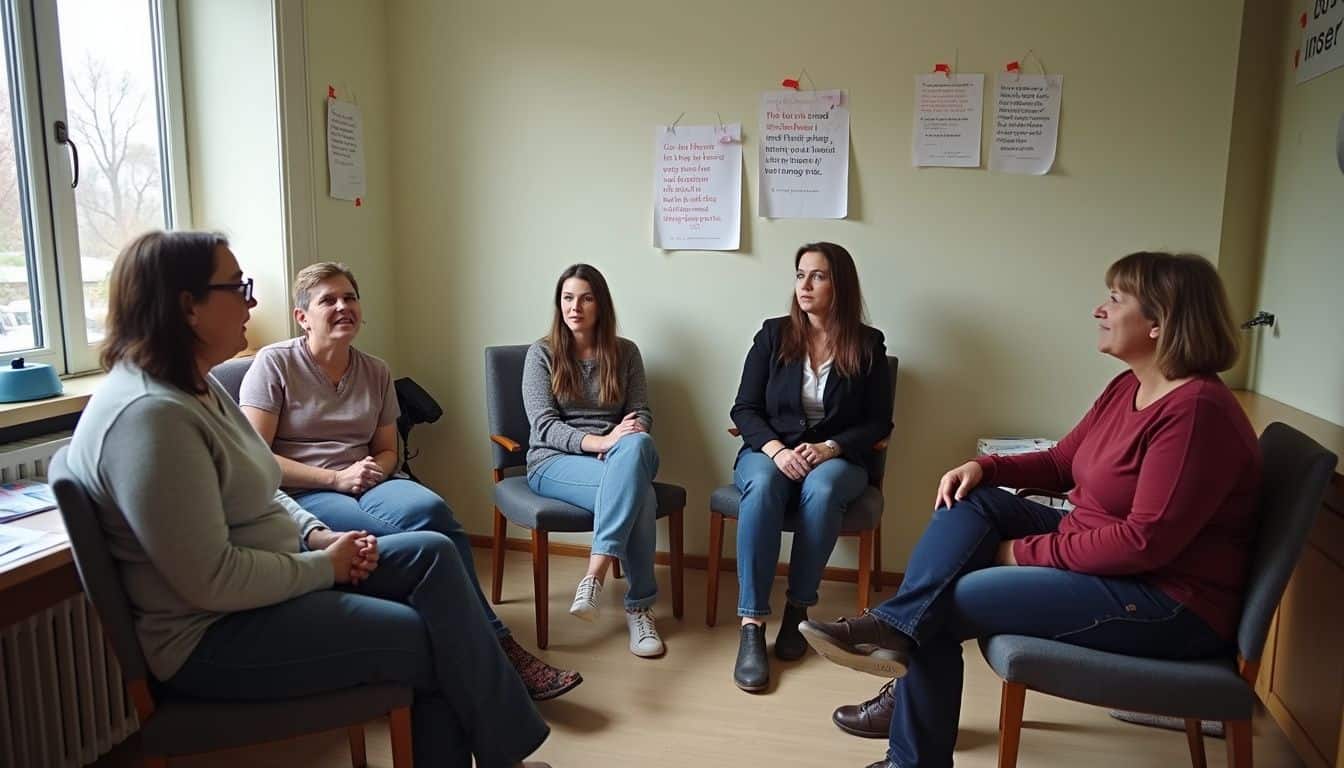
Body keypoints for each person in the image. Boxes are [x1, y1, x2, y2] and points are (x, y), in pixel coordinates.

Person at [65, 231, 551, 768]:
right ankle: (506, 756)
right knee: (428, 637)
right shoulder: (149, 417)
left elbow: (262, 488)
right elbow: (213, 581)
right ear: (187, 306)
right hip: (214, 636)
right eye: (237, 286)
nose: (251, 300)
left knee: (431, 549)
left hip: (276, 577)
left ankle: (505, 750)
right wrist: (325, 567)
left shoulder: (195, 388)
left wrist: (319, 536)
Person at [800, 251, 1261, 768]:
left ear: (1160, 322)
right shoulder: (1130, 385)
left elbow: (1143, 543)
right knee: (971, 501)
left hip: (1167, 600)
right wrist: (985, 468)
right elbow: (1065, 461)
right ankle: (896, 631)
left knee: (951, 601)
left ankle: (905, 707)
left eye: (1115, 299)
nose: (1099, 311)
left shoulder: (1195, 413)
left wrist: (1021, 552)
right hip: (1110, 556)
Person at [238, 262, 580, 700]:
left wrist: (371, 472)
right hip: (307, 492)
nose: (343, 306)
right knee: (420, 540)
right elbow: (256, 460)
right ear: (302, 316)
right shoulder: (275, 363)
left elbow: (387, 450)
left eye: (350, 297)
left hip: (371, 479)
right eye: (328, 300)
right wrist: (336, 478)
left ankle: (477, 643)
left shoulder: (376, 370)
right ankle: (496, 646)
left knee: (432, 510)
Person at [728, 241, 893, 692]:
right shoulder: (772, 334)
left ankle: (798, 610)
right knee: (761, 489)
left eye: (817, 275)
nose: (804, 285)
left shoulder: (867, 343)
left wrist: (831, 448)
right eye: (800, 274)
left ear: (839, 284)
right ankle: (751, 625)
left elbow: (879, 421)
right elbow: (744, 409)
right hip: (769, 453)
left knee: (822, 491)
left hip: (836, 459)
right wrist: (778, 450)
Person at [521, 263, 665, 658]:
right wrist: (599, 442)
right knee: (642, 497)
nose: (575, 307)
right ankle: (639, 607)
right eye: (568, 298)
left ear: (600, 304)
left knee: (636, 448)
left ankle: (594, 576)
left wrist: (623, 436)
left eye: (585, 298)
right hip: (554, 461)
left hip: (622, 453)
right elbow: (544, 426)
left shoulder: (626, 352)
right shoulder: (542, 354)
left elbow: (642, 412)